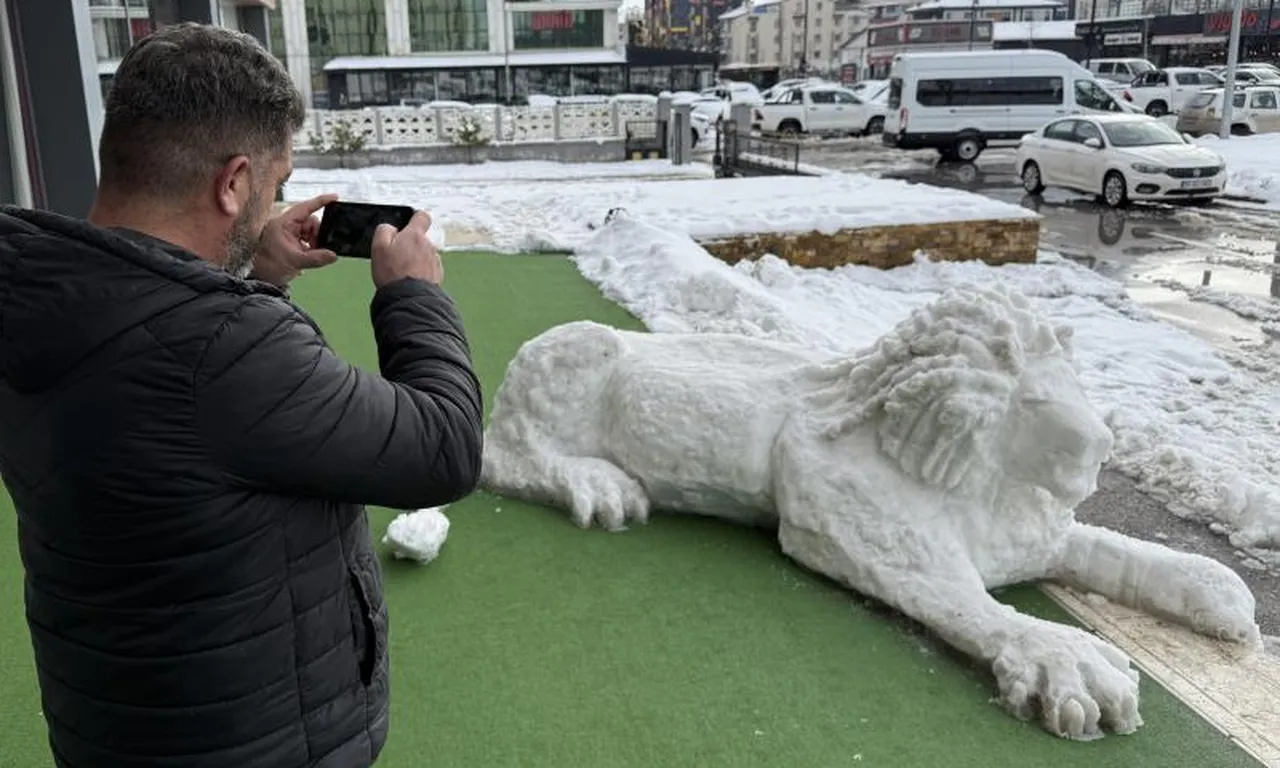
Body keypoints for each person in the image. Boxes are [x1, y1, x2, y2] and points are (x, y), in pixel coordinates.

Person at [0, 23, 483, 768]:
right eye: (273, 184)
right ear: (231, 183)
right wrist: (412, 295)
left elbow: (171, 398)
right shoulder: (226, 351)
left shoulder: (36, 295)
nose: (273, 204)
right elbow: (443, 448)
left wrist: (248, 270)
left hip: (111, 721)